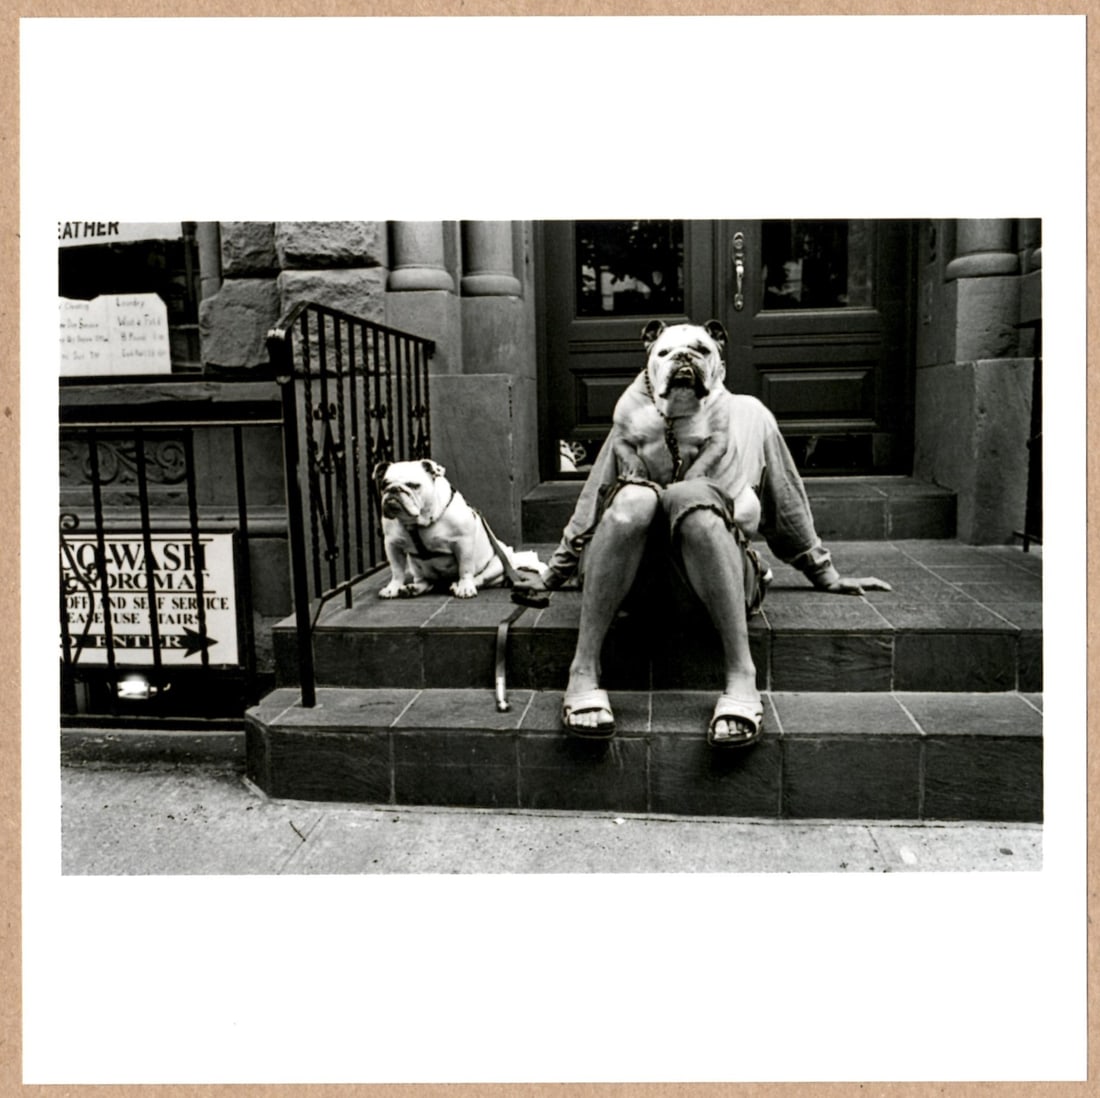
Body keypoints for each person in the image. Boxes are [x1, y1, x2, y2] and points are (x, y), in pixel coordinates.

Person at [513, 322, 890, 747]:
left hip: (715, 577)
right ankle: (582, 668)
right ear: (649, 368)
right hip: (635, 583)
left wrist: (824, 573)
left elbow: (784, 500)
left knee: (694, 498)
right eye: (668, 354)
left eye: (699, 352)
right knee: (632, 499)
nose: (684, 362)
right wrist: (554, 573)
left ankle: (741, 673)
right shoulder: (636, 417)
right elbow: (593, 502)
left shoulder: (749, 415)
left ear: (720, 367)